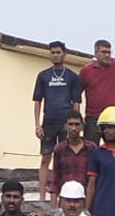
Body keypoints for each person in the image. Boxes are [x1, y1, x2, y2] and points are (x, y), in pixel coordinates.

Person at [33, 41, 83, 203]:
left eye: (58, 52)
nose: (55, 55)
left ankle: (64, 194)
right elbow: (38, 101)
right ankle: (42, 196)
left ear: (64, 54)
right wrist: (37, 124)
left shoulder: (73, 77)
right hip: (48, 122)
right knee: (45, 159)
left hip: (66, 123)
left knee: (64, 159)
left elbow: (76, 102)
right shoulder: (43, 76)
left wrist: (76, 124)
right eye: (52, 52)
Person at [51, 113, 93, 202]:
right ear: (65, 126)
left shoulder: (91, 148)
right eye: (70, 124)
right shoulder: (59, 149)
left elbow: (94, 179)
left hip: (85, 199)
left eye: (77, 124)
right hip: (66, 199)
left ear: (82, 126)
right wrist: (53, 208)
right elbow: (55, 179)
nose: (74, 128)